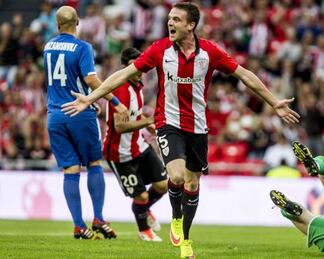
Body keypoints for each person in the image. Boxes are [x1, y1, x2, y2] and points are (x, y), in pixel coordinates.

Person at [61, 2, 300, 257]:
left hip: (197, 126)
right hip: (168, 122)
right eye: (169, 18)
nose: (170, 23)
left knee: (193, 184)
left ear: (191, 25)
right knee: (175, 177)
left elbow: (245, 75)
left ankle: (185, 238)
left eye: (176, 19)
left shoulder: (210, 53)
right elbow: (123, 74)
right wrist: (91, 97)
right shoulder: (160, 49)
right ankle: (176, 218)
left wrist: (274, 101)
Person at [44, 6, 127, 239]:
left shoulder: (47, 47)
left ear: (57, 24)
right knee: (93, 163)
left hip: (55, 115)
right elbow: (90, 79)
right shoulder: (83, 47)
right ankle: (99, 218)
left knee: (70, 169)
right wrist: (115, 101)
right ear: (77, 22)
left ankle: (79, 226)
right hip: (79, 113)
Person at [103, 47, 167, 242]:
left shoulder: (137, 87)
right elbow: (120, 127)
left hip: (139, 145)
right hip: (119, 154)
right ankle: (144, 231)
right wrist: (148, 121)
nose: (138, 70)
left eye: (140, 66)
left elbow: (135, 116)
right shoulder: (121, 89)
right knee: (141, 197)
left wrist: (149, 129)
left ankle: (144, 210)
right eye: (133, 66)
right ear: (125, 67)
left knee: (163, 185)